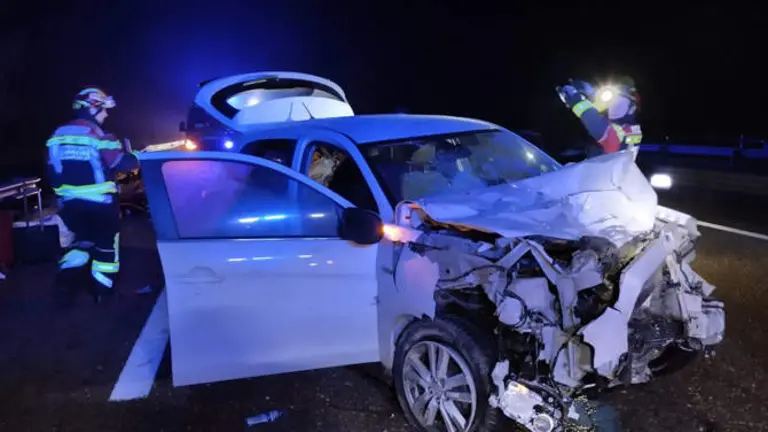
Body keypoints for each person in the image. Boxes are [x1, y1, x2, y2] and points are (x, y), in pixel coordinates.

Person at [47, 87, 140, 304]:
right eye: (104, 110)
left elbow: (51, 169)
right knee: (106, 250)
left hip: (70, 206)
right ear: (92, 108)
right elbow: (122, 164)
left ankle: (64, 281)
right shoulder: (100, 136)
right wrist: (136, 155)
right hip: (101, 206)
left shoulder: (56, 136)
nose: (106, 115)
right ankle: (103, 294)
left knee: (81, 242)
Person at [557, 78, 642, 155]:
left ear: (631, 108)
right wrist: (587, 91)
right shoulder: (615, 123)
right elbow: (596, 109)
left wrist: (576, 101)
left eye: (621, 102)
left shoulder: (631, 130)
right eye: (613, 102)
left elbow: (606, 133)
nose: (614, 106)